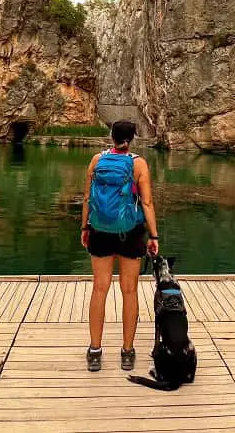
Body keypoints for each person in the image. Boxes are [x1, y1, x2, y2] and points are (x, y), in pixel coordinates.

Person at [81, 120, 159, 372]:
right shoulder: (138, 164)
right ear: (132, 138)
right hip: (130, 233)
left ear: (111, 136)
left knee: (99, 290)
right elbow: (146, 203)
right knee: (129, 291)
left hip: (100, 231)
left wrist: (85, 228)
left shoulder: (96, 160)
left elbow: (87, 198)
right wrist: (154, 236)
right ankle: (127, 352)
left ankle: (95, 350)